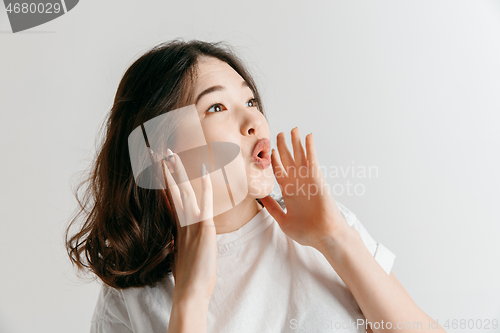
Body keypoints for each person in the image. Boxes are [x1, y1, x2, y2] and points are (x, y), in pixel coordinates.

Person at [65, 39, 446, 333]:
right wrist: (190, 300)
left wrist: (335, 238)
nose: (254, 120)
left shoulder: (326, 226)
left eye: (250, 99)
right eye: (216, 107)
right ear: (158, 153)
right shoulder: (130, 294)